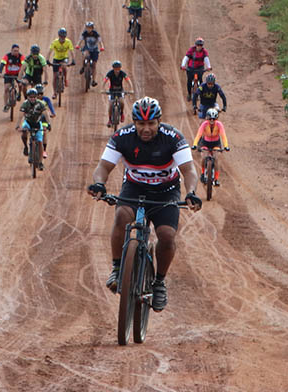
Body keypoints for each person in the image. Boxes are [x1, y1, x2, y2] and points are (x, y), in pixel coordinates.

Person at [87, 97, 202, 312]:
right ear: (134, 123)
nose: (146, 129)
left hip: (166, 192)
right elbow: (103, 167)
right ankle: (117, 268)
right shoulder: (122, 137)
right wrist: (99, 184)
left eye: (151, 123)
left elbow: (189, 171)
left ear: (159, 122)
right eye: (141, 124)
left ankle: (159, 283)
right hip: (134, 188)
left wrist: (191, 193)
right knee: (121, 216)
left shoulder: (174, 138)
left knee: (166, 236)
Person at [191, 108, 229, 186]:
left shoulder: (219, 125)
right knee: (203, 157)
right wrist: (194, 144)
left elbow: (223, 136)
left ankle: (216, 179)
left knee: (216, 159)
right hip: (205, 142)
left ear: (216, 119)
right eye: (210, 119)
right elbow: (199, 135)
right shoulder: (204, 124)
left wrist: (226, 146)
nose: (212, 120)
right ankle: (202, 173)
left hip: (216, 143)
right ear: (207, 118)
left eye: (214, 119)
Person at [15, 88, 51, 165]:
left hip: (37, 123)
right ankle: (25, 146)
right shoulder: (25, 104)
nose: (32, 99)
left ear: (36, 97)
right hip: (28, 122)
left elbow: (46, 114)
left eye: (34, 97)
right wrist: (18, 125)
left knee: (40, 142)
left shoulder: (40, 104)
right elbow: (20, 115)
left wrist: (49, 124)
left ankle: (40, 162)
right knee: (24, 132)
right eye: (30, 97)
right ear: (27, 97)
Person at [102, 60, 133, 127]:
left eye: (118, 68)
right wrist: (102, 88)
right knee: (110, 104)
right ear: (113, 68)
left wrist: (131, 89)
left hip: (120, 90)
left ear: (120, 68)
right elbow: (105, 80)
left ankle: (121, 113)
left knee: (122, 102)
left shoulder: (122, 73)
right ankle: (110, 119)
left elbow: (128, 80)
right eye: (115, 68)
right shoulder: (110, 73)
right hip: (112, 91)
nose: (117, 70)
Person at [180, 38, 211, 102]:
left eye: (201, 45)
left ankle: (202, 93)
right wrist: (183, 65)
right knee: (189, 81)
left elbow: (206, 59)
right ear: (196, 45)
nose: (199, 46)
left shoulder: (204, 51)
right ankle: (189, 94)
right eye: (198, 45)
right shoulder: (191, 50)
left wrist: (209, 67)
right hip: (191, 68)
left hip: (200, 68)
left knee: (201, 81)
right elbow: (186, 57)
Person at [76, 21, 104, 86]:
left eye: (90, 28)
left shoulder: (96, 34)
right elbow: (80, 40)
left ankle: (93, 80)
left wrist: (102, 47)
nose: (88, 29)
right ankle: (83, 67)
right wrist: (77, 45)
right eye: (87, 27)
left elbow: (100, 41)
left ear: (92, 28)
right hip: (87, 48)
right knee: (85, 55)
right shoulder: (84, 33)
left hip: (94, 49)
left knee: (94, 65)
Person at [0, 44, 25, 112]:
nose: (16, 52)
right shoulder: (7, 56)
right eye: (14, 51)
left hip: (18, 74)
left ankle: (19, 94)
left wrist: (25, 73)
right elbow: (2, 64)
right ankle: (5, 105)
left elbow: (24, 65)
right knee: (6, 89)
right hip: (8, 74)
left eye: (17, 51)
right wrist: (0, 72)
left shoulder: (21, 57)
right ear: (11, 50)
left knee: (20, 84)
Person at [35, 83, 55, 155]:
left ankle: (44, 150)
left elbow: (50, 106)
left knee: (44, 132)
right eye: (38, 94)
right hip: (35, 118)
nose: (39, 95)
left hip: (44, 119)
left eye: (41, 94)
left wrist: (53, 113)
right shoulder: (32, 100)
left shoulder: (46, 99)